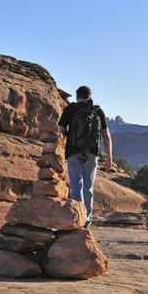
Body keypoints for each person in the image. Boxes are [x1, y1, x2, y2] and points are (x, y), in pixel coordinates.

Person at [57, 86, 112, 228]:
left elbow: (60, 130)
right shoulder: (98, 111)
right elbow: (106, 136)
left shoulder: (71, 109)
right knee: (88, 187)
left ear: (77, 96)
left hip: (73, 151)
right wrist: (109, 158)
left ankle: (77, 217)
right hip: (92, 153)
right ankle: (87, 219)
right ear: (90, 96)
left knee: (76, 184)